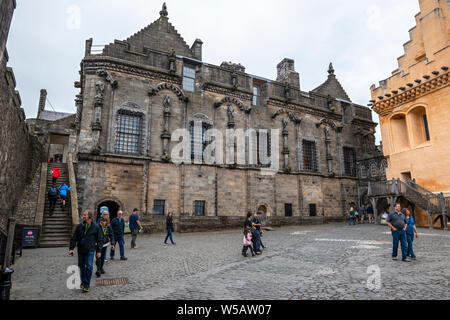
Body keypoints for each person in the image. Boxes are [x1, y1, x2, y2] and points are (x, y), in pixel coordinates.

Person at [68, 210, 103, 293]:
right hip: (81, 250)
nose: (83, 216)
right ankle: (83, 281)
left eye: (85, 215)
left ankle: (86, 284)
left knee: (89, 266)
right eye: (83, 215)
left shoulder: (96, 227)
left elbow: (99, 239)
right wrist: (71, 248)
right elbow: (74, 238)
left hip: (90, 250)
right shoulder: (80, 226)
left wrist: (99, 251)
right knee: (81, 267)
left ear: (89, 217)